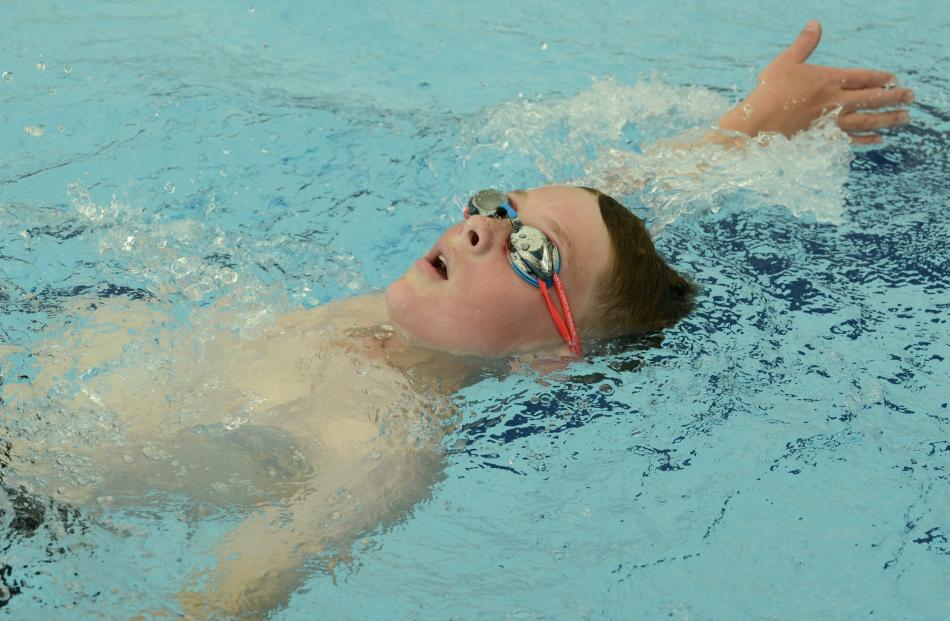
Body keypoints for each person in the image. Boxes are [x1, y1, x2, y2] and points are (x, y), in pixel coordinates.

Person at [0, 21, 912, 620]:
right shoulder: (399, 316)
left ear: (550, 355)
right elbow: (628, 198)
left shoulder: (388, 448)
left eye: (529, 252)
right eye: (499, 207)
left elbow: (235, 592)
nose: (481, 226)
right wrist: (752, 121)